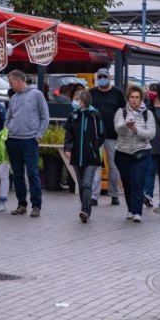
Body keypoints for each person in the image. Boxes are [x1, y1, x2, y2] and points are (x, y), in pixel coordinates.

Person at [4, 70, 50, 217]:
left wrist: (39, 135)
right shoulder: (13, 98)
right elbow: (8, 117)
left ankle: (36, 206)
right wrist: (7, 131)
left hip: (30, 140)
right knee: (17, 174)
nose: (10, 85)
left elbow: (45, 116)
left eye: (11, 82)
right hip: (13, 140)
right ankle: (21, 204)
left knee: (32, 173)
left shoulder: (36, 94)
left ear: (19, 80)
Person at [113, 84, 156, 222]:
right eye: (131, 97)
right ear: (128, 98)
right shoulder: (121, 112)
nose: (134, 100)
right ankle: (130, 209)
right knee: (127, 182)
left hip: (141, 152)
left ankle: (138, 211)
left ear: (141, 99)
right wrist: (126, 126)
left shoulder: (147, 113)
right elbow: (118, 129)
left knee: (138, 181)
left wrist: (136, 130)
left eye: (137, 97)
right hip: (123, 152)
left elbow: (151, 134)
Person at [64, 88, 104, 222]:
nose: (75, 102)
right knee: (81, 185)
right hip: (76, 156)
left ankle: (86, 210)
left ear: (84, 101)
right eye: (74, 99)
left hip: (91, 157)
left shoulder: (95, 115)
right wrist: (68, 147)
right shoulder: (72, 116)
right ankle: (84, 207)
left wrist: (94, 147)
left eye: (77, 99)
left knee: (87, 183)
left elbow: (102, 134)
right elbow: (68, 135)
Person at [88, 68, 126, 206]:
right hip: (96, 135)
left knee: (114, 166)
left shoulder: (117, 93)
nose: (102, 78)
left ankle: (114, 194)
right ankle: (93, 196)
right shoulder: (91, 93)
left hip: (113, 134)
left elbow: (124, 111)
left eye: (105, 76)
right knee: (96, 165)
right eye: (100, 76)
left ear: (109, 77)